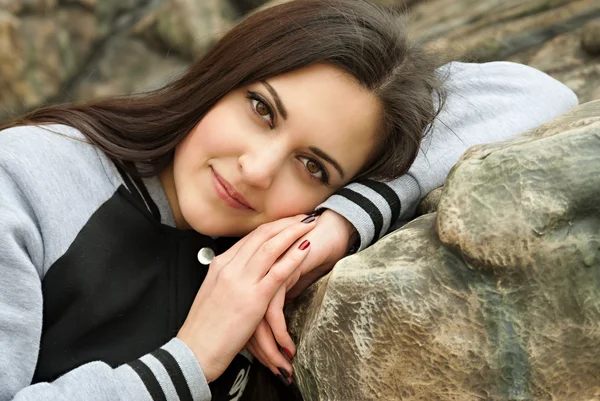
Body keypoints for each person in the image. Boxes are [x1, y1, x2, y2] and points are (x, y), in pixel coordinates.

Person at [0, 1, 577, 401]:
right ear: (224, 75)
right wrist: (193, 359)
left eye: (312, 166)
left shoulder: (283, 246)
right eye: (261, 110)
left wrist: (336, 224)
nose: (255, 171)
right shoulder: (30, 175)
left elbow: (536, 95)